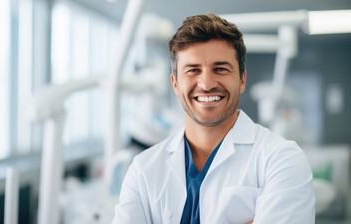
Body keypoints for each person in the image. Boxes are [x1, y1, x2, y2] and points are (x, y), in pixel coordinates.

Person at [112, 13, 315, 224]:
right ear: (175, 83)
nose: (207, 83)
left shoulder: (281, 160)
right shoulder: (143, 170)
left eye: (220, 69)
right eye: (193, 70)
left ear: (242, 79)